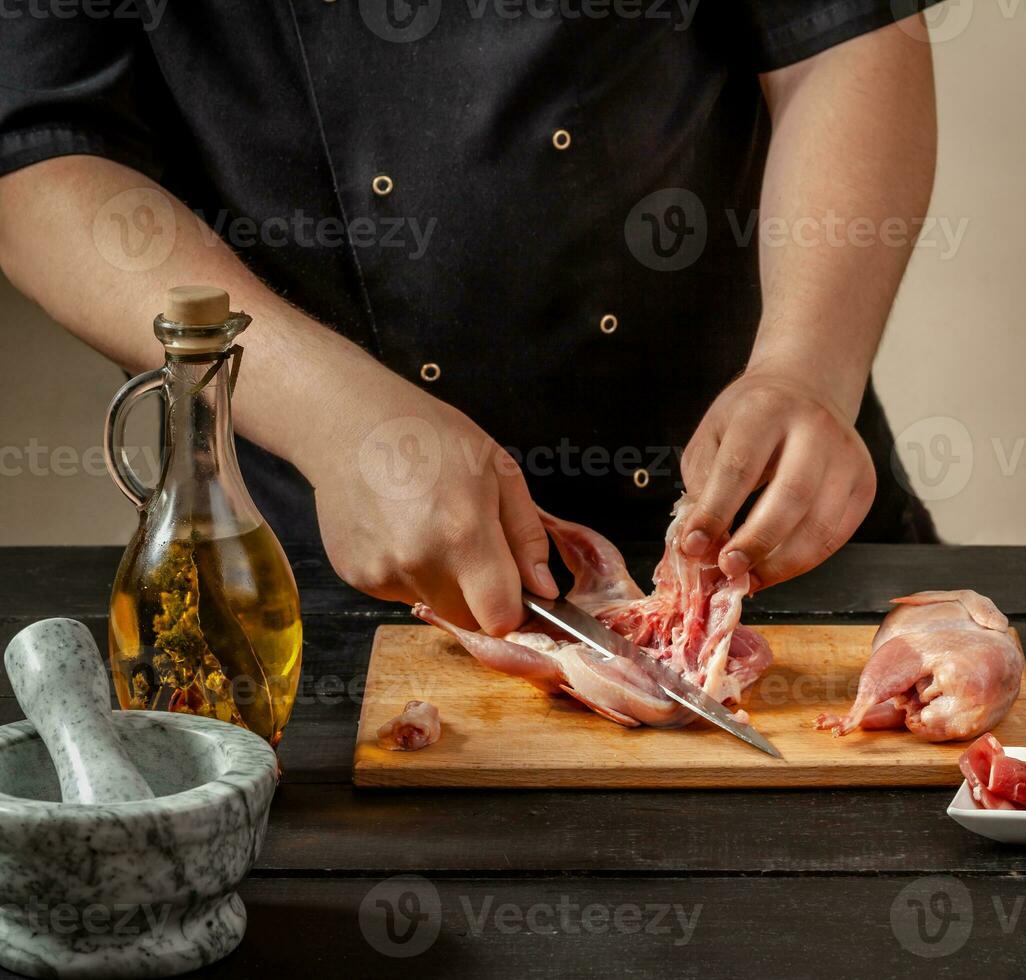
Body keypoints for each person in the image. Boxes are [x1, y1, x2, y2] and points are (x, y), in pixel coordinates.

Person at [0, 1, 940, 636]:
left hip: (773, 526)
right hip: (328, 578)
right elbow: (38, 159)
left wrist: (808, 365)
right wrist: (332, 416)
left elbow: (844, 38)